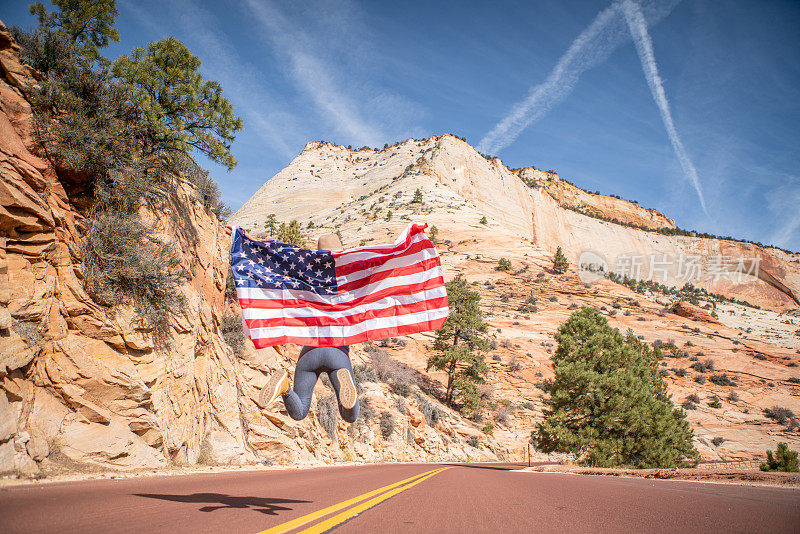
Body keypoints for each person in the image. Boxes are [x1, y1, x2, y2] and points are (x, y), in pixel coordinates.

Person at [259, 233, 360, 423]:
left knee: (300, 412)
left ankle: (284, 387)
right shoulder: (349, 282)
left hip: (309, 354)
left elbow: (274, 258)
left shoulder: (306, 278)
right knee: (350, 416)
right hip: (337, 353)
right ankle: (346, 388)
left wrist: (242, 237)